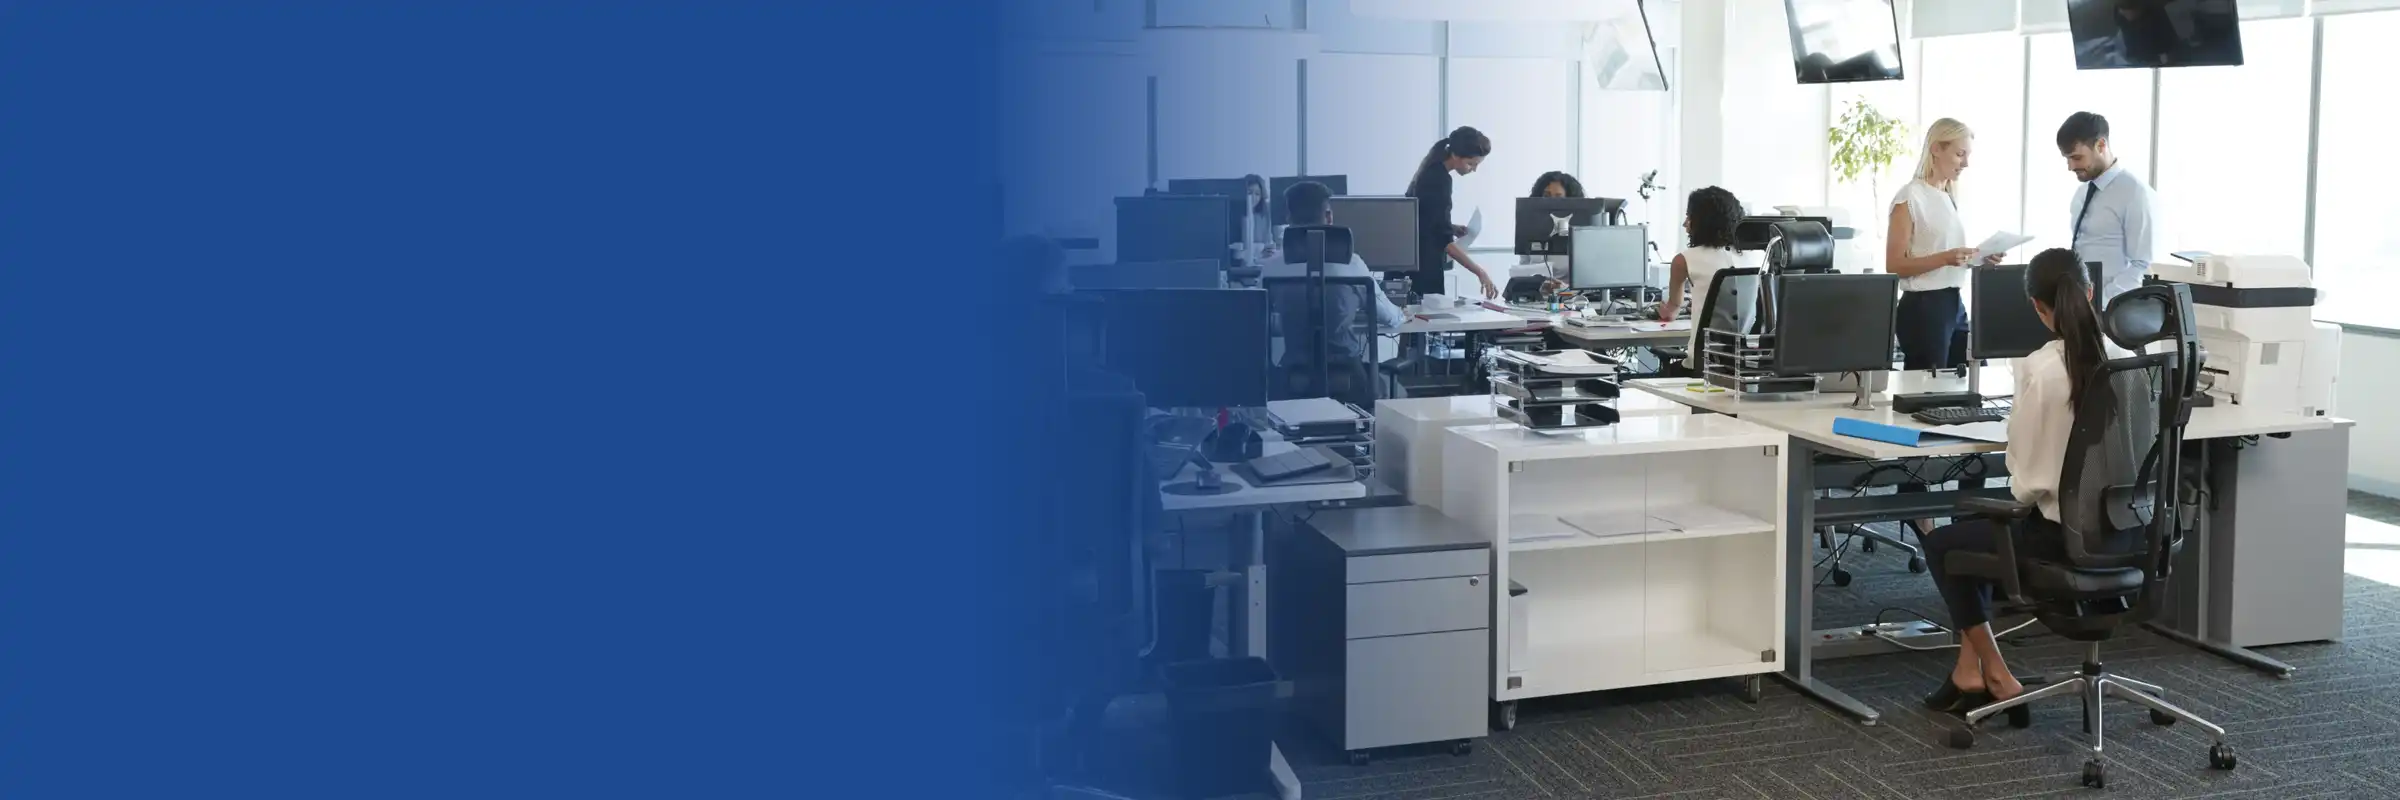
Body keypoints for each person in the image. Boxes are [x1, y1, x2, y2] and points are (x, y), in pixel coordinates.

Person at [1916, 247, 2124, 720]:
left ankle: (1996, 671)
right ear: (2091, 293)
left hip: (2059, 539)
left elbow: (2025, 482)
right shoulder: (2131, 361)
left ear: (2036, 306)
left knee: (1944, 544)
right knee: (1974, 530)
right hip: (2125, 532)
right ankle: (1968, 672)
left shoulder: (2042, 370)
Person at [1887, 118, 2000, 536]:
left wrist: (1977, 259)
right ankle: (1914, 501)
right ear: (1936, 148)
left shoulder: (1948, 196)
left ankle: (1971, 506)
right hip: (1923, 308)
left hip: (1953, 303)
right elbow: (1895, 264)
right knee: (1923, 409)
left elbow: (1946, 260)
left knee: (1970, 400)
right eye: (1959, 153)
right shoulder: (1909, 197)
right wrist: (1947, 257)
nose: (1965, 162)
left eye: (1967, 155)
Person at [1261, 180, 1406, 407]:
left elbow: (1254, 318)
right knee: (1397, 390)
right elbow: (1389, 317)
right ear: (1328, 216)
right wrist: (1402, 313)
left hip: (1292, 380)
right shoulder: (1352, 264)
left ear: (1289, 218)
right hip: (1349, 381)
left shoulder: (1273, 267)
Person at [2058, 112, 2158, 308]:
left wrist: (2102, 302)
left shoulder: (2134, 193)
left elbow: (2142, 264)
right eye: (2067, 159)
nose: (2071, 166)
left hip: (2114, 310)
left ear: (2101, 146)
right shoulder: (2081, 193)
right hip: (2082, 305)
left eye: (2077, 157)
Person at [1656, 186, 1745, 371]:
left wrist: (1663, 310)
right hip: (1747, 363)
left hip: (1703, 365)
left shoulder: (1684, 260)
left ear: (1702, 222)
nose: (1685, 224)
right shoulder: (1755, 258)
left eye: (1689, 217)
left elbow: (1671, 313)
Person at [1405, 126, 1499, 300]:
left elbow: (1424, 218)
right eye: (1471, 163)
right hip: (1422, 268)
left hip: (1413, 264)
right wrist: (1480, 272)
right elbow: (1444, 242)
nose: (1473, 169)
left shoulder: (1430, 171)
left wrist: (1451, 227)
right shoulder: (1439, 180)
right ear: (1455, 155)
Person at [1515, 171, 1586, 288]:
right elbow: (1524, 269)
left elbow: (1586, 280)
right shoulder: (1529, 228)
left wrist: (1564, 289)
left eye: (1559, 198)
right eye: (1546, 196)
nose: (1551, 202)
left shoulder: (1579, 235)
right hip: (1535, 294)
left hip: (1568, 295)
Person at [1242, 174, 1276, 262]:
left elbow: (1269, 244)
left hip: (1263, 261)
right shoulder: (1235, 215)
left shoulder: (1265, 213)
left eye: (1257, 194)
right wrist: (1258, 250)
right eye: (1249, 193)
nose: (1253, 197)